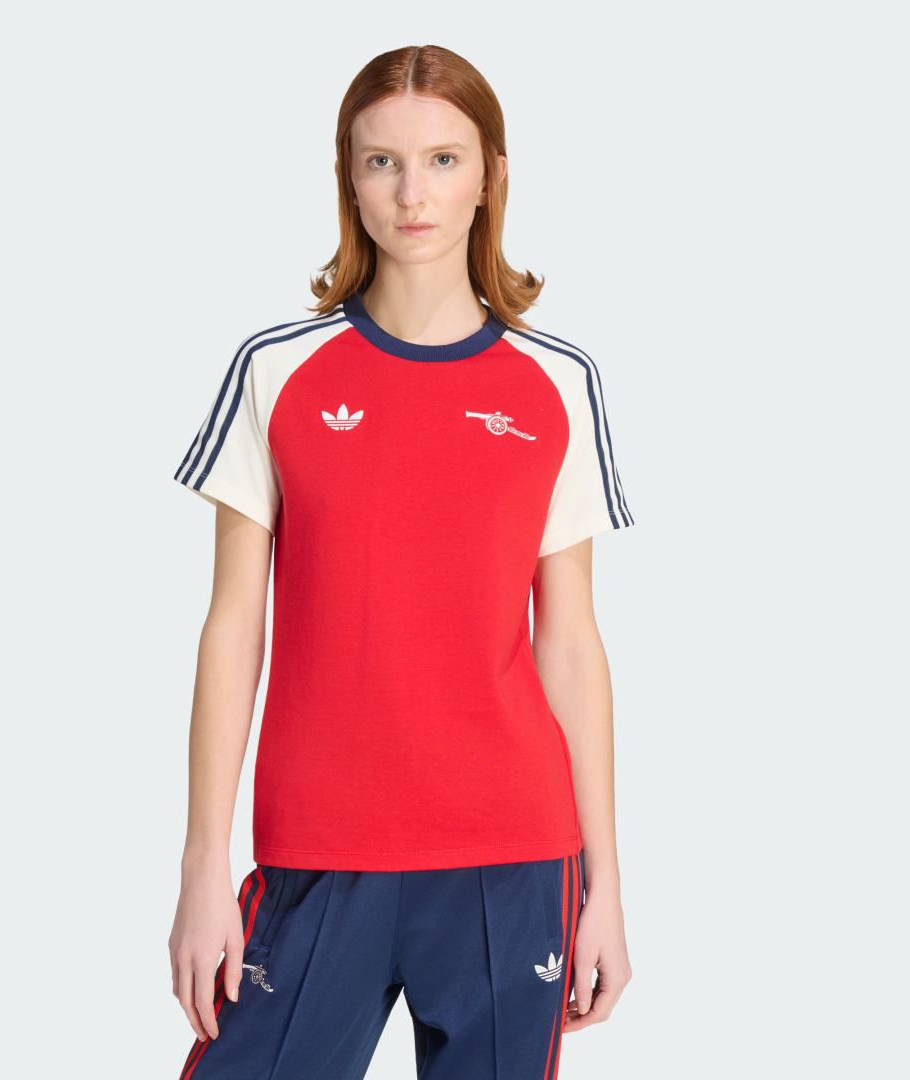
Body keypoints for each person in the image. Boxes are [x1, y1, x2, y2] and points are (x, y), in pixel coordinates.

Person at [168, 44, 635, 1080]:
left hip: (512, 854)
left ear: (491, 176)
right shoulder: (276, 370)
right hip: (318, 848)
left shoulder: (558, 381)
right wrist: (204, 868)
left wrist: (606, 881)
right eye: (382, 162)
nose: (412, 194)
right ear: (348, 177)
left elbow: (569, 641)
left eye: (442, 160)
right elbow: (233, 628)